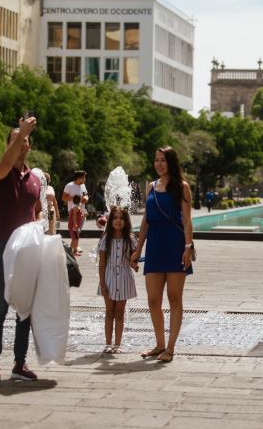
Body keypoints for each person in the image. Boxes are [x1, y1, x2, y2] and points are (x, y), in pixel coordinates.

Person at [0, 115, 41, 382]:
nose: (22, 143)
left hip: (27, 250)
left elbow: (36, 214)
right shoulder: (0, 170)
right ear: (10, 144)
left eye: (26, 139)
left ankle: (20, 363)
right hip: (1, 246)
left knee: (25, 309)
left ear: (29, 146)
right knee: (0, 308)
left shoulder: (35, 179)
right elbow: (7, 161)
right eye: (17, 139)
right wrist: (21, 133)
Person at [130, 147, 194, 363]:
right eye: (156, 160)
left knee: (175, 298)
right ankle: (159, 344)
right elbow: (146, 221)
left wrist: (187, 247)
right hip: (155, 246)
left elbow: (187, 220)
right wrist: (138, 249)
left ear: (171, 162)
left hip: (176, 246)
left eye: (163, 160)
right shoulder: (150, 187)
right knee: (153, 299)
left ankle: (171, 348)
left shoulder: (182, 187)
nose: (158, 164)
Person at [98, 206, 138, 354]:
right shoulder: (105, 238)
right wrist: (102, 283)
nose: (118, 221)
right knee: (109, 312)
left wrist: (134, 264)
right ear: (110, 220)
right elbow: (101, 263)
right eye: (115, 218)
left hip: (124, 278)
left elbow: (133, 259)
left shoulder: (131, 239)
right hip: (108, 277)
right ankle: (108, 343)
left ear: (126, 221)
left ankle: (117, 344)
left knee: (120, 312)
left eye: (121, 218)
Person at [62, 170, 88, 253]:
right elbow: (63, 198)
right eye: (84, 177)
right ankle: (73, 248)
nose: (85, 179)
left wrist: (85, 198)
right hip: (73, 211)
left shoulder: (83, 186)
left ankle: (74, 247)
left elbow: (86, 195)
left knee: (78, 230)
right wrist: (75, 198)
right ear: (79, 178)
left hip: (82, 210)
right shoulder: (69, 185)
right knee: (75, 229)